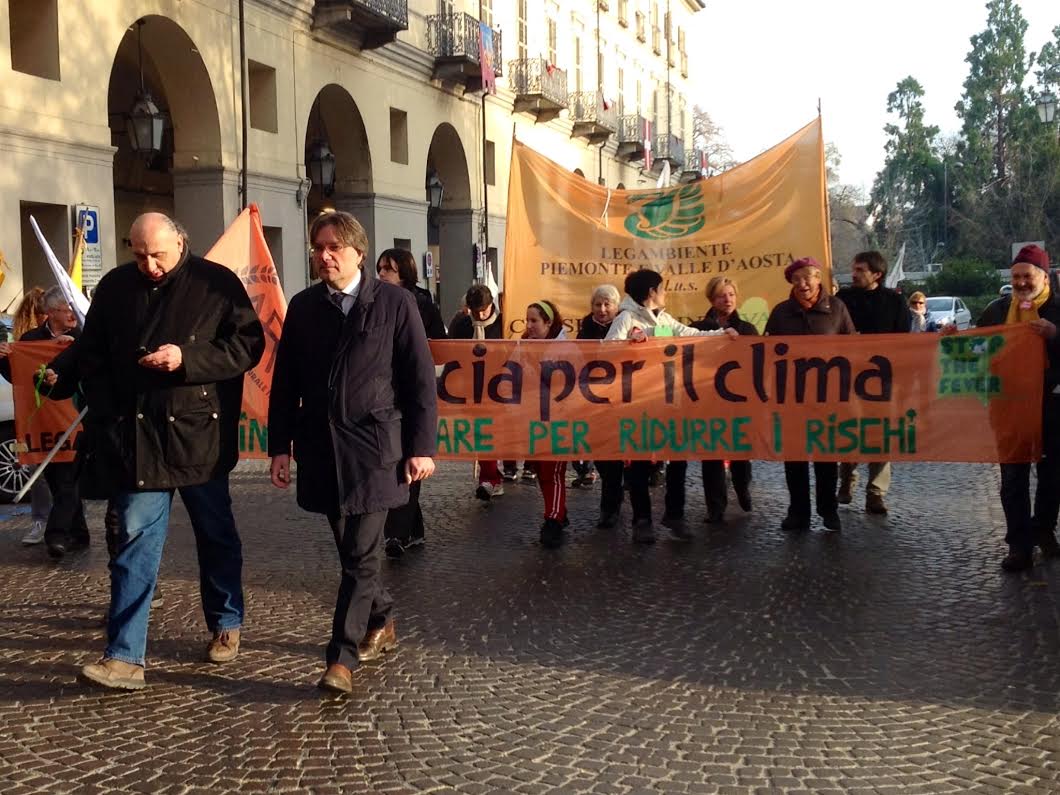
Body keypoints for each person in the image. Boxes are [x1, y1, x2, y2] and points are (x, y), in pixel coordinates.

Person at [59, 212, 264, 691]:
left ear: (180, 242)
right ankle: (124, 656)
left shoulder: (216, 283)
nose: (149, 264)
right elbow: (92, 350)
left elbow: (248, 345)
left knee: (215, 535)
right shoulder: (113, 287)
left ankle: (226, 622)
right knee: (132, 542)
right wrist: (67, 380)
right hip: (138, 438)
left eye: (158, 254)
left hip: (198, 437)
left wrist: (186, 359)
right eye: (139, 254)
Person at [269, 211, 437, 694]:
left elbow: (420, 380)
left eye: (334, 248)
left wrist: (421, 447)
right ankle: (381, 617)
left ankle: (340, 658)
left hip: (377, 448)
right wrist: (279, 446)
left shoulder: (394, 302)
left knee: (362, 553)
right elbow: (286, 385)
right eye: (317, 247)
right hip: (322, 448)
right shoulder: (302, 307)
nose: (324, 256)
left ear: (358, 253)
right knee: (351, 552)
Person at [605, 268, 735, 543]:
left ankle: (674, 514)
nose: (665, 293)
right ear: (651, 292)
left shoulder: (664, 318)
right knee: (640, 462)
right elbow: (606, 350)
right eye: (662, 288)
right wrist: (631, 345)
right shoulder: (626, 318)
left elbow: (691, 334)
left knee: (678, 457)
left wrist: (723, 334)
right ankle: (642, 520)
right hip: (639, 402)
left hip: (669, 400)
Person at [975, 244, 1060, 572]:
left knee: (1052, 477)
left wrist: (1055, 334)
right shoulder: (997, 310)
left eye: (1027, 276)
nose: (1021, 282)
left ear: (1043, 276)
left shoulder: (1057, 308)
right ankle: (1019, 546)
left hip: (1051, 409)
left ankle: (1043, 529)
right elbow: (977, 347)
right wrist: (955, 340)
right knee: (1012, 477)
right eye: (1016, 277)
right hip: (1008, 407)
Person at [765, 257, 855, 533]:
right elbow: (766, 351)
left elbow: (853, 346)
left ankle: (828, 510)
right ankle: (798, 512)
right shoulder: (781, 312)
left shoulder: (837, 309)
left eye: (807, 278)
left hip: (827, 394)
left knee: (826, 455)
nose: (802, 284)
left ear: (818, 279)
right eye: (796, 279)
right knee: (794, 457)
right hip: (792, 395)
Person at [663, 276, 757, 527]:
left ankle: (742, 487)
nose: (727, 300)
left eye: (731, 295)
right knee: (712, 451)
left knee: (740, 450)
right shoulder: (698, 327)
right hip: (706, 397)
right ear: (712, 299)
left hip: (738, 398)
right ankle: (715, 507)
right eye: (721, 296)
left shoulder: (747, 329)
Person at [0, 286, 83, 556]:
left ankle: (56, 534)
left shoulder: (83, 336)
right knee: (59, 481)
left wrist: (74, 351)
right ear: (49, 313)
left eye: (72, 308)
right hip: (44, 421)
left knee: (69, 479)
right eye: (65, 309)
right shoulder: (31, 339)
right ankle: (78, 532)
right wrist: (4, 359)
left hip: (74, 418)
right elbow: (19, 377)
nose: (71, 313)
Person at [375, 248, 445, 559]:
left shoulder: (422, 303)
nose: (383, 274)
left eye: (388, 269)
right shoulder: (375, 298)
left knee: (409, 460)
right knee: (395, 461)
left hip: (411, 391)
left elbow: (436, 345)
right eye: (380, 269)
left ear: (404, 271)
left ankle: (397, 533)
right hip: (384, 393)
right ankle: (410, 529)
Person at [835, 251, 912, 515]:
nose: (854, 274)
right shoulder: (842, 299)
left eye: (860, 269)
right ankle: (846, 478)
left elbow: (905, 339)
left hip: (884, 380)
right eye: (853, 268)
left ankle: (876, 492)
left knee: (881, 434)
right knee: (850, 431)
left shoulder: (894, 301)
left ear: (876, 274)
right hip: (849, 378)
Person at [449, 285, 512, 499]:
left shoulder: (505, 322)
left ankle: (492, 477)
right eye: (476, 311)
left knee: (492, 432)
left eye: (484, 310)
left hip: (500, 385)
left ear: (492, 305)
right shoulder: (461, 323)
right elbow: (452, 354)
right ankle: (491, 477)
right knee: (481, 432)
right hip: (472, 386)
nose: (480, 315)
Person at [4, 287, 52, 545]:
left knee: (64, 470)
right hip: (35, 412)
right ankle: (42, 520)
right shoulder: (28, 341)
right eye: (43, 313)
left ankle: (65, 523)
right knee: (38, 466)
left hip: (59, 411)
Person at [522, 300, 571, 547]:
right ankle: (558, 510)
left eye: (534, 321)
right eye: (527, 320)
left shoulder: (567, 349)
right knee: (544, 470)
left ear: (548, 323)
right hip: (534, 418)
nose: (529, 325)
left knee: (553, 471)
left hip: (559, 419)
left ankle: (553, 519)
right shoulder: (522, 346)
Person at [572, 285, 621, 489]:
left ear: (616, 307)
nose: (602, 309)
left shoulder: (625, 326)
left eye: (607, 305)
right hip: (590, 391)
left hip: (618, 392)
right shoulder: (585, 330)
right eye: (597, 304)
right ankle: (586, 468)